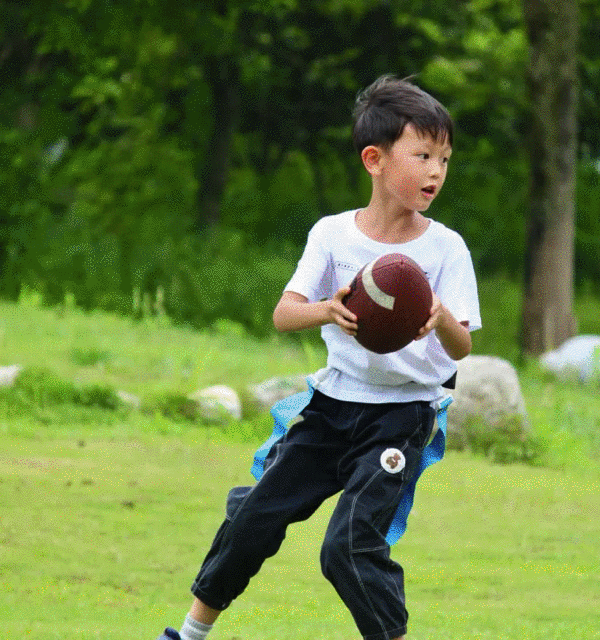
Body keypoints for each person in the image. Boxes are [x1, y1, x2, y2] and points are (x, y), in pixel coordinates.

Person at [154, 75, 481, 640]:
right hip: (332, 408)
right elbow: (285, 313)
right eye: (423, 155)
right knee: (253, 519)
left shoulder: (445, 248)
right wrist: (328, 310)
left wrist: (440, 317)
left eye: (445, 159)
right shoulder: (333, 235)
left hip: (401, 417)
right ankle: (187, 634)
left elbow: (462, 347)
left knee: (347, 546)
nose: (436, 172)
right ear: (374, 159)